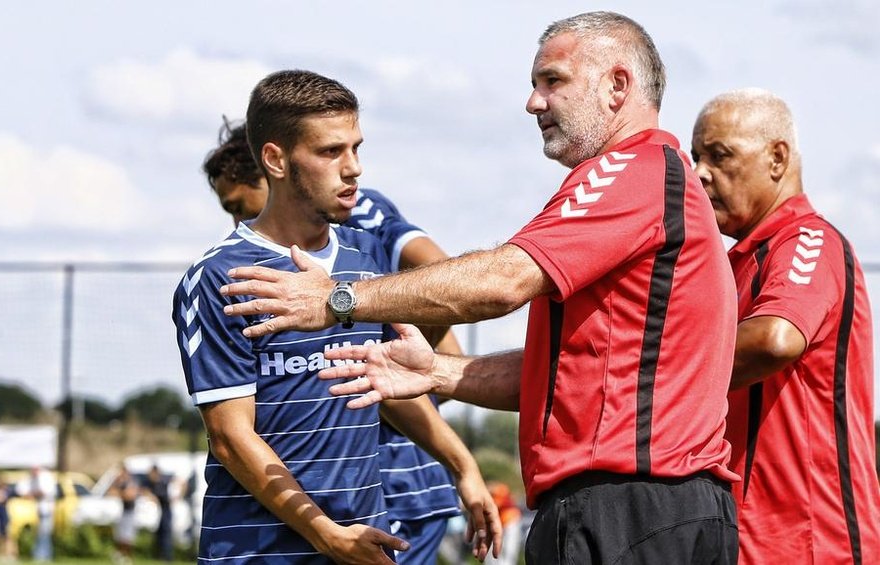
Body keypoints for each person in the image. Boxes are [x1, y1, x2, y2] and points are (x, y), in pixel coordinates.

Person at [221, 12, 741, 565]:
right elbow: (565, 376)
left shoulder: (633, 171)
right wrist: (440, 372)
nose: (533, 102)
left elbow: (501, 281)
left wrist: (336, 299)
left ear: (618, 85)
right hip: (650, 510)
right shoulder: (641, 181)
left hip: (634, 509)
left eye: (552, 80)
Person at [173, 69, 501, 564]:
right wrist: (324, 532)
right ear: (276, 160)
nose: (354, 169)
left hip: (366, 542)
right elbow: (230, 438)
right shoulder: (221, 276)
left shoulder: (364, 265)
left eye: (356, 148)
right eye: (331, 152)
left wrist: (462, 466)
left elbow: (382, 387)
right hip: (260, 552)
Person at [691, 88, 880, 564]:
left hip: (810, 541)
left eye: (720, 155)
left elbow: (776, 338)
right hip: (739, 538)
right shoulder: (731, 265)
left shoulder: (807, 239)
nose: (699, 173)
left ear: (777, 158)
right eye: (695, 157)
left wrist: (651, 373)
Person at [18, 466, 56, 562]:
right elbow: (22, 490)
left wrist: (32, 494)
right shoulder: (33, 479)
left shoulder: (45, 477)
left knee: (44, 533)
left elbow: (43, 492)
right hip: (38, 510)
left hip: (46, 510)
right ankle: (40, 554)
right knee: (40, 533)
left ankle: (43, 555)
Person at [109, 464, 139, 563]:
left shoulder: (131, 483)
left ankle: (128, 557)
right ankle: (121, 555)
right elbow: (111, 492)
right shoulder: (121, 483)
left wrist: (120, 493)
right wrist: (117, 481)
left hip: (130, 512)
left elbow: (129, 496)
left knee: (128, 536)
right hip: (123, 512)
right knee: (120, 536)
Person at [143, 464, 173, 562]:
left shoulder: (164, 481)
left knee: (166, 534)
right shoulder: (150, 483)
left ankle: (167, 557)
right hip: (158, 512)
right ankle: (158, 555)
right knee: (158, 535)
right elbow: (143, 490)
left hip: (166, 511)